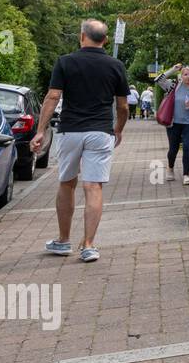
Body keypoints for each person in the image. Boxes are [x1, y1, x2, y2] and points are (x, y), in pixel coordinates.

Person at [31, 19, 129, 263]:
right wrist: (118, 129)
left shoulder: (65, 62)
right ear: (105, 40)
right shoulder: (115, 65)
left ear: (81, 36)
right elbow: (123, 106)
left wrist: (40, 131)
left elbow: (53, 96)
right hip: (100, 131)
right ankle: (88, 246)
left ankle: (63, 241)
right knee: (93, 186)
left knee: (67, 183)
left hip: (70, 130)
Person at [156, 64, 189, 185]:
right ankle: (170, 168)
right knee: (173, 149)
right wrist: (173, 69)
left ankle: (186, 175)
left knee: (188, 147)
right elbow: (158, 80)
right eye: (185, 74)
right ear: (181, 76)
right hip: (174, 123)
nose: (188, 77)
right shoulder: (174, 86)